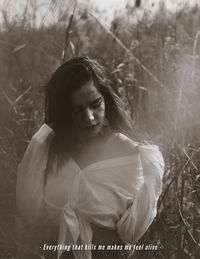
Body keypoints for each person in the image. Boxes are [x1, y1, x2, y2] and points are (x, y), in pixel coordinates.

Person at [16, 56, 164, 259]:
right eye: (77, 110)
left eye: (95, 104)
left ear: (105, 98)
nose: (89, 117)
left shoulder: (129, 154)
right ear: (64, 112)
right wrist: (42, 138)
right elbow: (29, 210)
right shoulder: (49, 149)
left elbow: (131, 232)